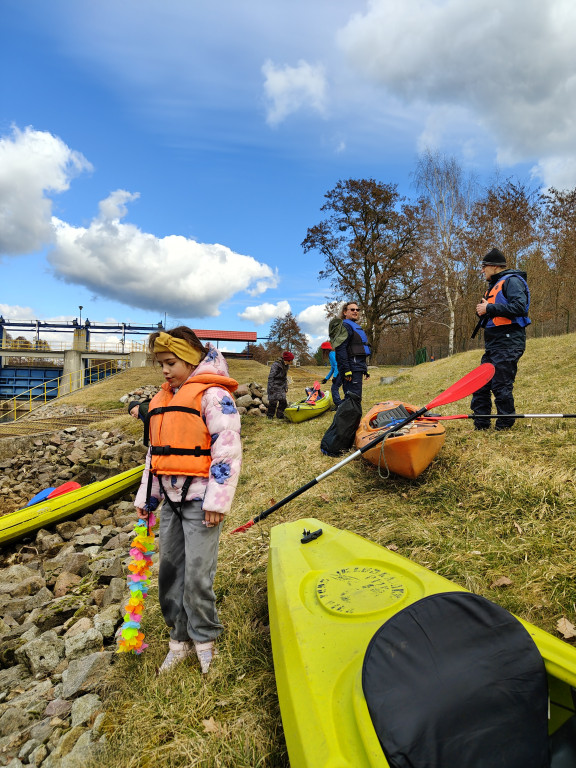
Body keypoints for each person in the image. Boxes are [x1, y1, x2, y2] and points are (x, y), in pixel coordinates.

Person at [133, 326, 242, 673]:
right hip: (169, 501)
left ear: (191, 358)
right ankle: (178, 640)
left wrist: (217, 502)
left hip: (200, 502)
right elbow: (154, 455)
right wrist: (147, 497)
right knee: (170, 572)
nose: (165, 370)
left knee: (197, 574)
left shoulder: (212, 395)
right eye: (161, 363)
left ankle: (205, 639)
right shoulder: (163, 400)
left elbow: (227, 448)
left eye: (171, 362)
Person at [470, 248, 530, 430]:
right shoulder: (494, 285)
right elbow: (496, 311)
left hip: (509, 342)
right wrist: (483, 310)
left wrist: (490, 308)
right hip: (494, 344)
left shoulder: (512, 281)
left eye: (484, 266)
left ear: (495, 267)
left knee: (500, 385)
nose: (482, 270)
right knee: (480, 384)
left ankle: (504, 425)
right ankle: (481, 424)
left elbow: (520, 307)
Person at [329, 302, 371, 401]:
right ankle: (348, 416)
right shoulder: (345, 327)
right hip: (351, 369)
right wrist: (346, 370)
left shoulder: (354, 327)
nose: (355, 311)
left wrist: (364, 369)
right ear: (345, 312)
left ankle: (353, 416)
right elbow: (341, 350)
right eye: (352, 309)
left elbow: (359, 352)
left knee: (355, 398)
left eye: (357, 310)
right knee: (352, 399)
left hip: (357, 367)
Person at [267, 350, 294, 419]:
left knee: (283, 402)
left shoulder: (287, 366)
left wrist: (286, 386)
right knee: (273, 402)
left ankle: (280, 415)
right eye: (291, 360)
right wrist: (270, 388)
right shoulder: (275, 365)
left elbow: (285, 377)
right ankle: (270, 416)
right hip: (273, 384)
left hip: (281, 385)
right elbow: (271, 377)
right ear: (288, 360)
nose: (292, 362)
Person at [320, 341, 342, 409]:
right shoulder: (331, 354)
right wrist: (326, 378)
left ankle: (339, 405)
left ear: (326, 350)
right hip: (339, 372)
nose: (322, 351)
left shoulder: (331, 354)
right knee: (335, 388)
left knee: (334, 388)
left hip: (341, 372)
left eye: (323, 350)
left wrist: (334, 377)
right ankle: (340, 404)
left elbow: (336, 365)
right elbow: (333, 368)